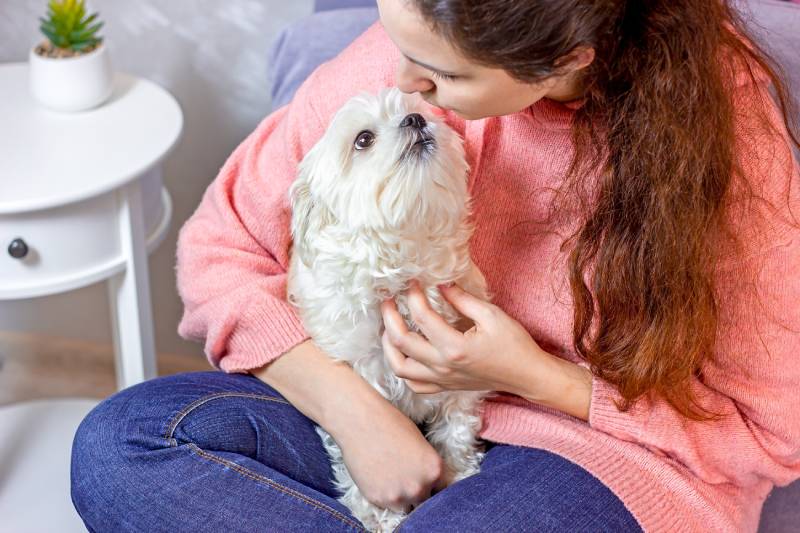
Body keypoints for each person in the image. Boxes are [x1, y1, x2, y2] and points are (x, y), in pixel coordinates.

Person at [70, 1, 800, 531]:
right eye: (399, 43)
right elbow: (218, 243)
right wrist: (356, 415)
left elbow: (775, 429)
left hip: (602, 452)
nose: (404, 84)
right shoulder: (421, 39)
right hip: (385, 410)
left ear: (566, 61)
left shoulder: (726, 133)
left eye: (443, 76)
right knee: (118, 450)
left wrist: (531, 374)